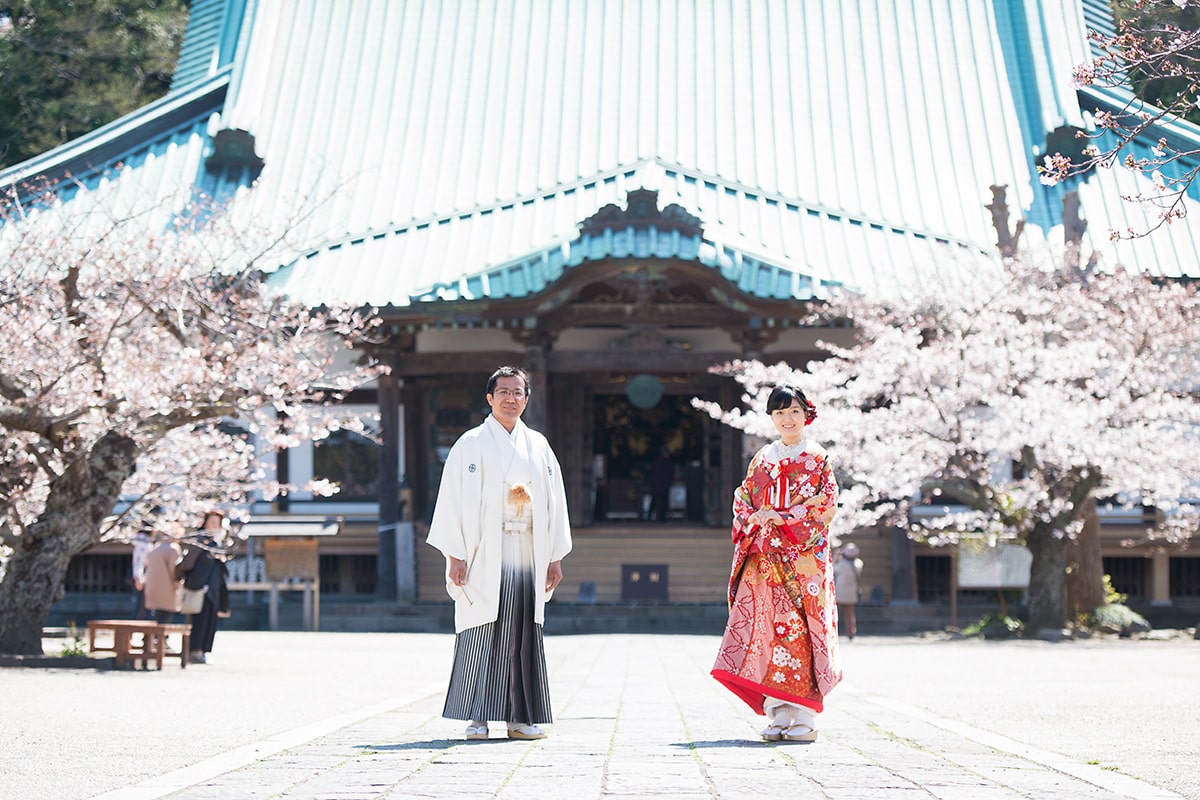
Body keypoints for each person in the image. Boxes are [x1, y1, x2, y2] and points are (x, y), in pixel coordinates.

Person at [428, 366, 573, 741]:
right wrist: (454, 555)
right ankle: (477, 716)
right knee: (481, 628)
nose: (511, 398)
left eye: (518, 392)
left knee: (523, 630)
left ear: (527, 399)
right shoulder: (470, 444)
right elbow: (452, 502)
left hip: (527, 549)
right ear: (489, 398)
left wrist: (555, 554)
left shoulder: (539, 445)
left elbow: (555, 503)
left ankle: (519, 718)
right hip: (482, 550)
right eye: (503, 392)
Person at [711, 384, 842, 743]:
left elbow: (825, 507)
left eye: (794, 411)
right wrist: (755, 518)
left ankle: (804, 715)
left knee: (799, 635)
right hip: (764, 560)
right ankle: (777, 712)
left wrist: (784, 519)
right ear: (770, 417)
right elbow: (743, 499)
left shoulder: (818, 458)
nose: (787, 419)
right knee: (765, 632)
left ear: (806, 415)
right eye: (779, 412)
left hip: (802, 563)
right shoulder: (762, 458)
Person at [178, 512, 230, 664]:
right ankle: (194, 650)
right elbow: (187, 564)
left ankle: (203, 650)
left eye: (217, 523)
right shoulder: (198, 542)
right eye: (212, 522)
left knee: (210, 621)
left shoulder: (217, 544)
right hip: (199, 587)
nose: (214, 526)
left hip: (213, 589)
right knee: (199, 621)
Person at [142, 532, 184, 622]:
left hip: (151, 589)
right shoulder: (173, 548)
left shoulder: (155, 547)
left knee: (153, 619)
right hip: (167, 590)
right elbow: (176, 571)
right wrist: (177, 586)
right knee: (164, 623)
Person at [833, 542, 864, 640]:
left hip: (840, 592)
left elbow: (833, 569)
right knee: (850, 614)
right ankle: (851, 632)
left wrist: (835, 558)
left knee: (836, 614)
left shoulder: (842, 564)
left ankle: (834, 632)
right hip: (851, 592)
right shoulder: (858, 564)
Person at [647, 447, 675, 521]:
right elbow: (670, 473)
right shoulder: (664, 462)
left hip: (659, 485)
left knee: (658, 502)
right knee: (659, 502)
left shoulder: (657, 462)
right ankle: (659, 517)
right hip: (661, 485)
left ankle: (655, 517)